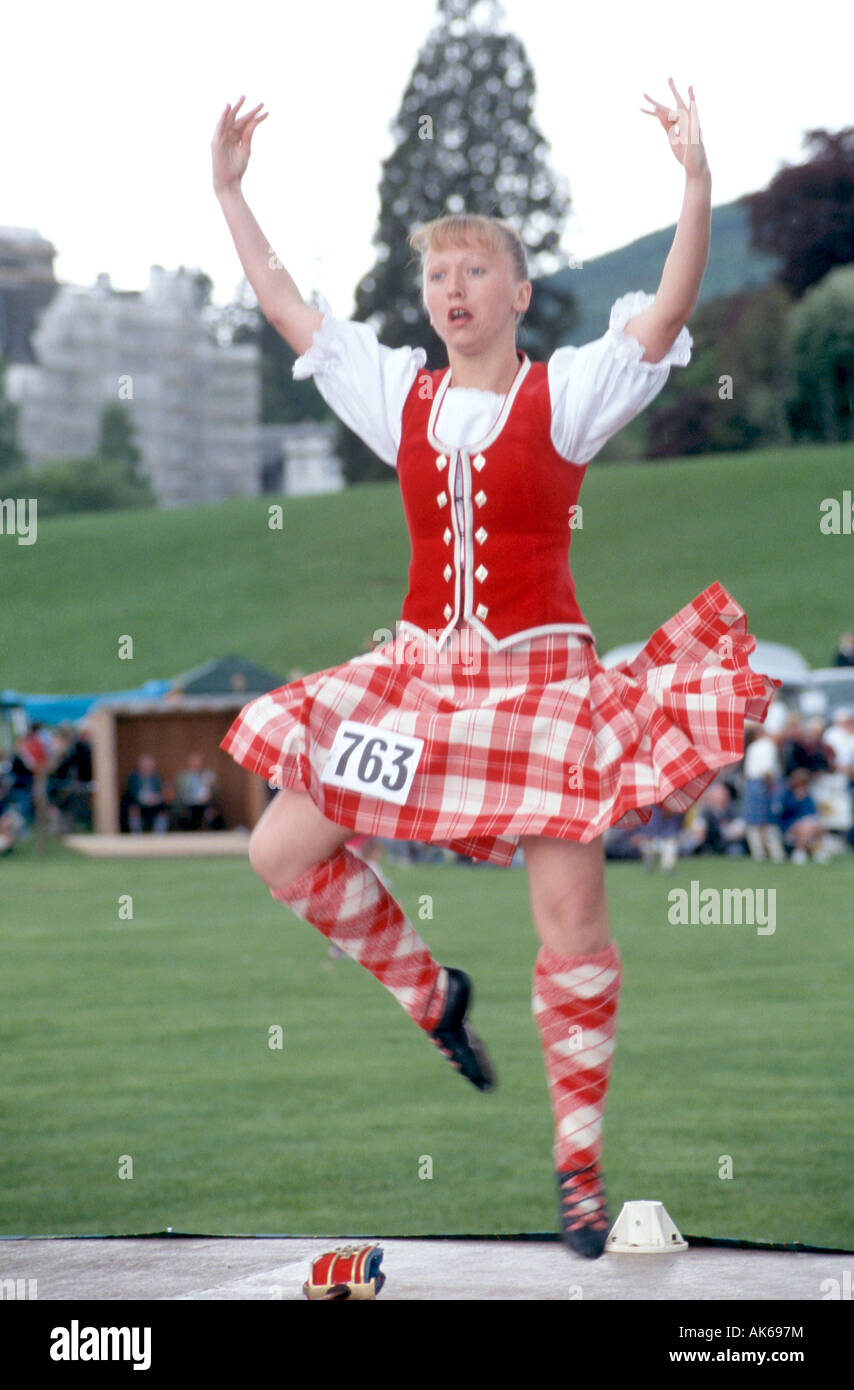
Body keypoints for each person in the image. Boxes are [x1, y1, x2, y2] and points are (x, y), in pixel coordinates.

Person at [211, 82, 779, 1260]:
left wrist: (691, 181)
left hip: (540, 694)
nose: (451, 291)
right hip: (417, 687)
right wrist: (231, 192)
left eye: (473, 272)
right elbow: (284, 307)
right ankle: (432, 996)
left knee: (570, 914)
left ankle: (578, 1171)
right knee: (279, 848)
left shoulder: (561, 395)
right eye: (435, 277)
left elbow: (668, 312)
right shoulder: (398, 397)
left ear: (515, 292)